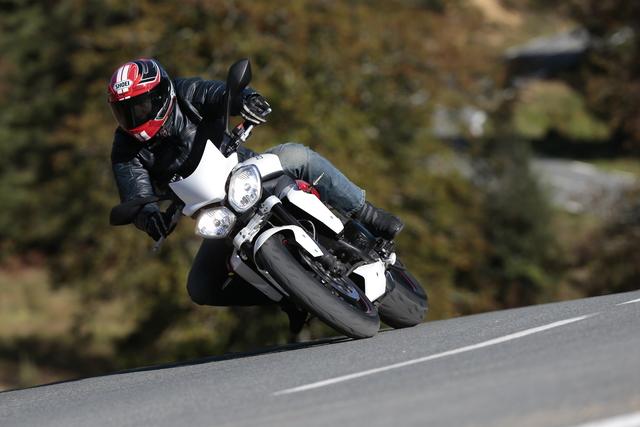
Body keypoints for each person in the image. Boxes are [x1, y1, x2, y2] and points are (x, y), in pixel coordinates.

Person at [108, 58, 403, 331]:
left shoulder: (185, 93)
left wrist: (248, 100)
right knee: (200, 287)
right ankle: (290, 297)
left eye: (140, 107)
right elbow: (135, 193)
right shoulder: (126, 149)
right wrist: (148, 218)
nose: (134, 117)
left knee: (297, 155)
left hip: (247, 171)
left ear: (161, 95)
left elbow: (220, 94)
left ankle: (367, 214)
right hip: (217, 212)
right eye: (125, 111)